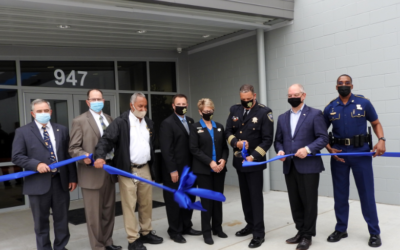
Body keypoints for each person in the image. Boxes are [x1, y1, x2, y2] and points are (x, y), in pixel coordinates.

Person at [94, 93, 163, 250]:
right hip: (127, 169)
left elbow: (151, 147)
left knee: (146, 203)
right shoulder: (121, 122)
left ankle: (146, 232)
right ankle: (133, 239)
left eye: (145, 106)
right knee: (129, 206)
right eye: (140, 106)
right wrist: (99, 156)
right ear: (132, 105)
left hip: (145, 168)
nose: (143, 109)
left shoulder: (149, 123)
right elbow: (106, 140)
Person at [323, 74, 385, 248]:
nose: (344, 85)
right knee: (340, 195)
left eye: (347, 83)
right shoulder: (330, 107)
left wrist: (381, 139)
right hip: (339, 155)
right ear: (336, 87)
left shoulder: (363, 103)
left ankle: (374, 232)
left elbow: (376, 123)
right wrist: (328, 148)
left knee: (366, 194)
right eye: (340, 84)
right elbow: (320, 131)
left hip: (360, 154)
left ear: (352, 85)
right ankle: (341, 229)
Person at [12, 99, 77, 250]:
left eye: (46, 110)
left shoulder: (62, 129)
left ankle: (61, 247)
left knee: (62, 219)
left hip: (60, 182)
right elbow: (17, 156)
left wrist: (73, 177)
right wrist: (36, 165)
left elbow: (68, 156)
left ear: (50, 112)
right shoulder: (22, 132)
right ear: (32, 113)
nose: (43, 113)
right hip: (37, 183)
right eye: (39, 111)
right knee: (41, 223)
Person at [274, 84, 328, 250]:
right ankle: (300, 230)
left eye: (295, 94)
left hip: (309, 166)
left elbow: (323, 138)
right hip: (290, 166)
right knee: (295, 202)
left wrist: (307, 149)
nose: (292, 97)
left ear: (303, 95)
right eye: (289, 95)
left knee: (309, 202)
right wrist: (280, 150)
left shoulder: (315, 114)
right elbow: (278, 140)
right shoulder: (282, 117)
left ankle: (307, 235)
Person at [69, 89, 121, 250]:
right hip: (91, 174)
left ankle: (108, 242)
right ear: (87, 102)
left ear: (103, 101)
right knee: (94, 215)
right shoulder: (79, 121)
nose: (97, 101)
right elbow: (73, 148)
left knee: (108, 211)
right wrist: (85, 156)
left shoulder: (109, 119)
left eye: (99, 99)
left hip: (109, 172)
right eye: (93, 99)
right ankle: (97, 246)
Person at [225, 84, 274, 248]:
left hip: (254, 162)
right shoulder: (235, 110)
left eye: (248, 99)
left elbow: (267, 139)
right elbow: (228, 131)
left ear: (254, 95)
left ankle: (259, 233)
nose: (246, 102)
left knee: (255, 197)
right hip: (240, 162)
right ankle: (250, 224)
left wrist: (254, 156)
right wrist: (236, 142)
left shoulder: (264, 112)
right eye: (243, 99)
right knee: (245, 197)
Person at [159, 94, 201, 243]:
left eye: (184, 104)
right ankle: (174, 230)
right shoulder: (167, 123)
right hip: (175, 171)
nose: (182, 106)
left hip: (190, 169)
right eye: (179, 104)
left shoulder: (190, 121)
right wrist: (172, 170)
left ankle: (186, 226)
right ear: (173, 106)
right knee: (174, 201)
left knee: (189, 198)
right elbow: (166, 150)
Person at [189, 98, 229, 245]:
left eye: (211, 111)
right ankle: (207, 232)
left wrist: (223, 160)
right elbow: (194, 149)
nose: (209, 113)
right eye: (206, 111)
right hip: (204, 170)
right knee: (206, 202)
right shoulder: (195, 128)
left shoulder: (219, 126)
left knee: (217, 199)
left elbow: (225, 147)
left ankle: (217, 228)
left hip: (219, 169)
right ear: (200, 112)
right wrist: (210, 162)